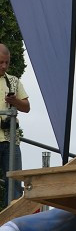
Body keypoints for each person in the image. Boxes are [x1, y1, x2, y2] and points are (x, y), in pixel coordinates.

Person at [0, 43, 29, 205]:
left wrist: (14, 101)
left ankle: (9, 226)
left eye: (7, 62)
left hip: (11, 140)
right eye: (0, 62)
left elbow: (27, 107)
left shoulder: (13, 81)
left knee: (15, 185)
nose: (4, 66)